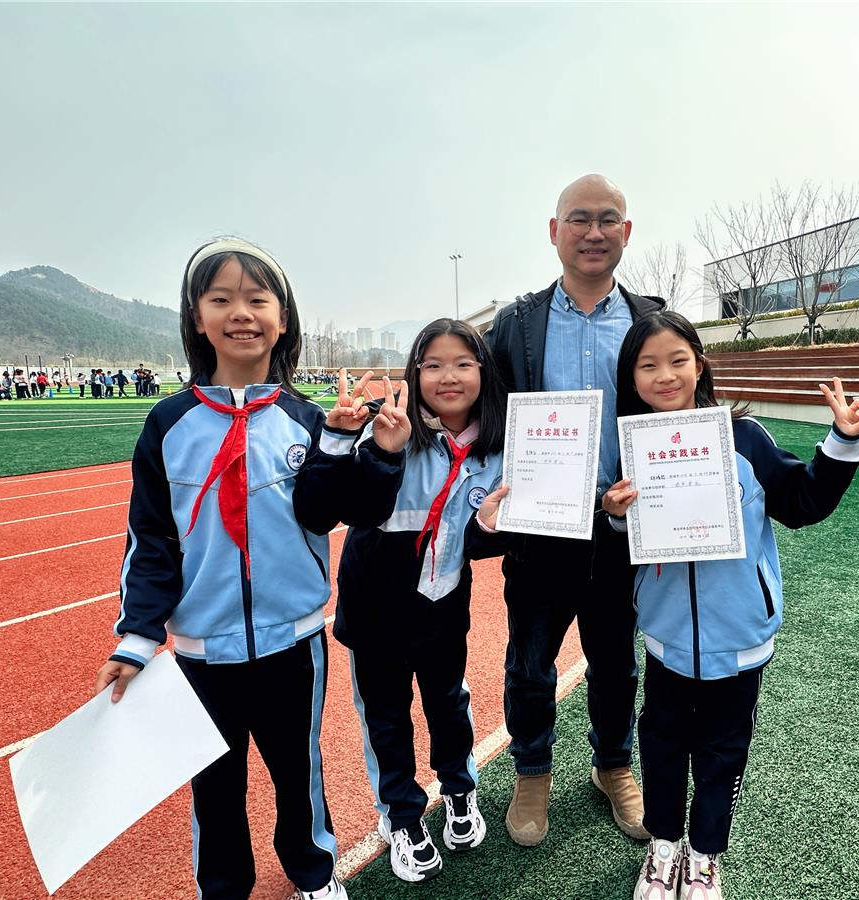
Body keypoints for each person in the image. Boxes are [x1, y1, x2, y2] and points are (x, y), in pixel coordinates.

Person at [93, 237, 407, 900]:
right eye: (221, 299)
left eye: (257, 299)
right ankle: (223, 886)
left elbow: (341, 512)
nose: (241, 312)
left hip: (294, 643)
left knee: (299, 773)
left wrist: (376, 454)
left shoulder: (311, 420)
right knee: (213, 783)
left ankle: (313, 872)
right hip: (202, 652)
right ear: (197, 317)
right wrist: (137, 638)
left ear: (283, 318)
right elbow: (151, 540)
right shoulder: (167, 424)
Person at [602, 311, 859, 900]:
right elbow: (630, 542)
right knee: (662, 746)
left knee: (724, 753)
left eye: (677, 360)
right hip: (667, 639)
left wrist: (842, 442)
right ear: (632, 378)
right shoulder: (635, 449)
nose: (664, 375)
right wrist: (618, 517)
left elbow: (802, 502)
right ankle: (663, 847)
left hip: (740, 638)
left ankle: (704, 857)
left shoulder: (743, 437)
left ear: (700, 365)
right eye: (648, 365)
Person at [484, 174, 663, 846]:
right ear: (554, 231)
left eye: (607, 219)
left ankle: (613, 766)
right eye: (579, 219)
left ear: (627, 232)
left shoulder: (650, 319)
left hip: (621, 528)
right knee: (530, 664)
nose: (594, 232)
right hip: (540, 532)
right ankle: (533, 772)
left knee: (617, 664)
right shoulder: (517, 324)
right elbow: (486, 413)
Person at [335, 320, 509, 883]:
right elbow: (356, 508)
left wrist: (490, 529)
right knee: (387, 718)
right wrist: (382, 453)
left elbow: (476, 540)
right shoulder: (391, 428)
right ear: (414, 373)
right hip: (376, 610)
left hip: (443, 605)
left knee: (448, 704)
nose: (448, 377)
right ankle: (402, 816)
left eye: (463, 363)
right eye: (433, 365)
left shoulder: (497, 450)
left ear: (483, 372)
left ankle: (459, 790)